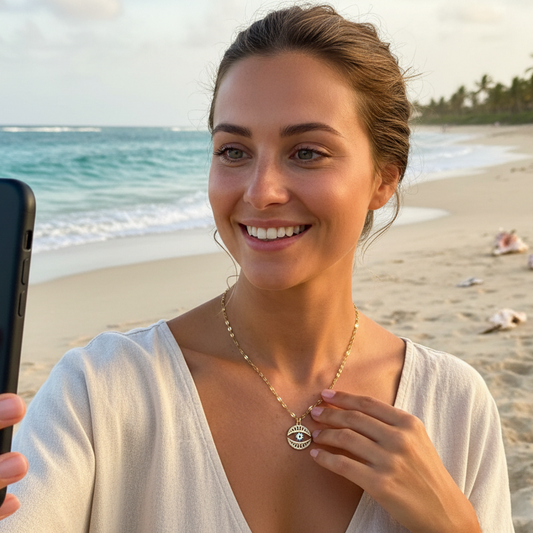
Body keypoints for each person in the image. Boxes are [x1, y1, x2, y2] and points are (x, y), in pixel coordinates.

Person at [0, 5, 514, 532]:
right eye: (233, 151)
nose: (261, 191)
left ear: (384, 179)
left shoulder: (452, 404)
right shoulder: (100, 392)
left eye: (308, 153)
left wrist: (454, 524)